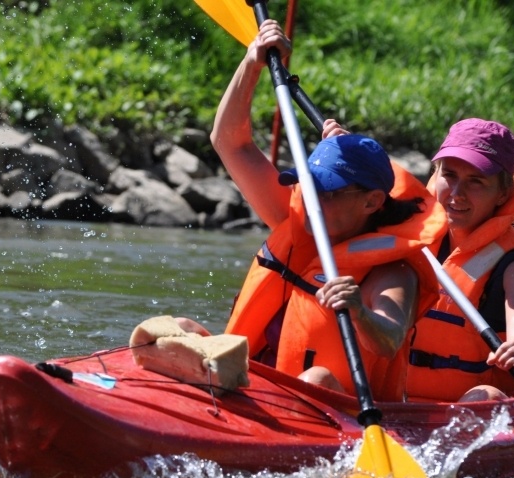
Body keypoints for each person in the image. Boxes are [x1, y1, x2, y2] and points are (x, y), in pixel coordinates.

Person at [179, 20, 447, 401]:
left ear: (372, 202)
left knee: (316, 378)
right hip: (253, 388)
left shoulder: (393, 271)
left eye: (329, 191)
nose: (312, 199)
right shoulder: (295, 220)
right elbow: (229, 142)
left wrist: (358, 309)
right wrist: (252, 61)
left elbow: (389, 338)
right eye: (310, 185)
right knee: (180, 329)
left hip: (334, 411)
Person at [405, 118, 514, 402]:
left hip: (483, 401)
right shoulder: (413, 236)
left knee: (484, 396)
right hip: (401, 401)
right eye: (449, 175)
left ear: (503, 194)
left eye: (475, 181)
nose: (457, 193)